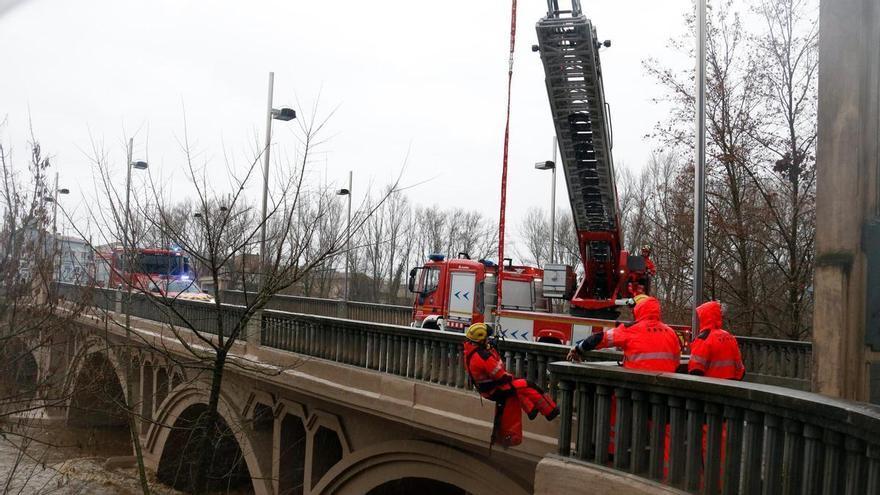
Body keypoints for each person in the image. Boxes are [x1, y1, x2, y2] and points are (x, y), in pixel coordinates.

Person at [463, 323, 559, 447]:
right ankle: (550, 411)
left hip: (488, 389)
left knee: (517, 391)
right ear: (481, 340)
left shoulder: (470, 352)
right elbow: (500, 373)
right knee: (528, 385)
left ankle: (531, 410)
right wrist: (494, 353)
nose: (488, 340)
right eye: (487, 338)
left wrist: (491, 350)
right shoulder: (484, 356)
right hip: (494, 389)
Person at [566, 295, 681, 372]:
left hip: (636, 391)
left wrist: (578, 349)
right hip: (665, 395)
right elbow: (676, 362)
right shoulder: (670, 332)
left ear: (638, 309)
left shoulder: (630, 329)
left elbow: (600, 339)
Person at [688, 300, 745, 380]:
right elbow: (740, 369)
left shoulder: (703, 339)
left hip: (711, 387)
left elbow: (695, 369)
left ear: (703, 317)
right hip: (731, 386)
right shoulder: (730, 337)